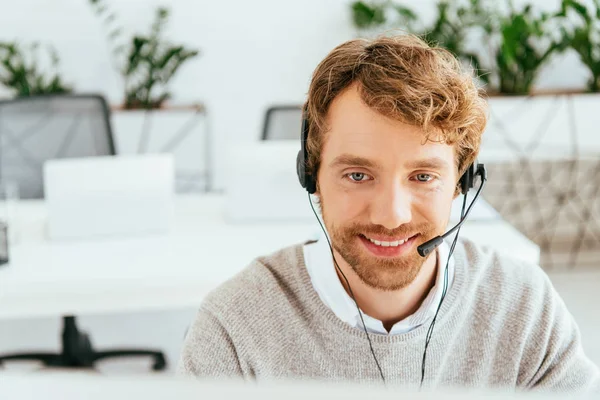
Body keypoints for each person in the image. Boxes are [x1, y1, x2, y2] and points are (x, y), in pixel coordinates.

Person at [178, 33, 600, 394]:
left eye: (422, 176)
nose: (391, 216)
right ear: (312, 175)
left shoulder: (522, 307)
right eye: (358, 174)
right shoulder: (234, 326)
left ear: (460, 182)